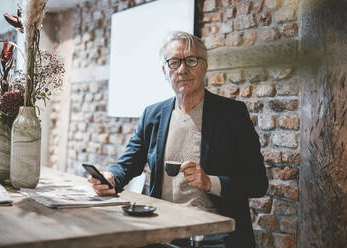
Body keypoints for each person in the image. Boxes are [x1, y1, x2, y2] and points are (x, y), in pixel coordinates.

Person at [88, 31, 268, 248]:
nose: (183, 69)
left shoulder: (232, 114)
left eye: (191, 60)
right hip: (162, 229)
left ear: (204, 66)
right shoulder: (152, 114)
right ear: (165, 71)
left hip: (214, 235)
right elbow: (128, 163)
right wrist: (111, 177)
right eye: (174, 62)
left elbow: (258, 182)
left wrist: (211, 182)